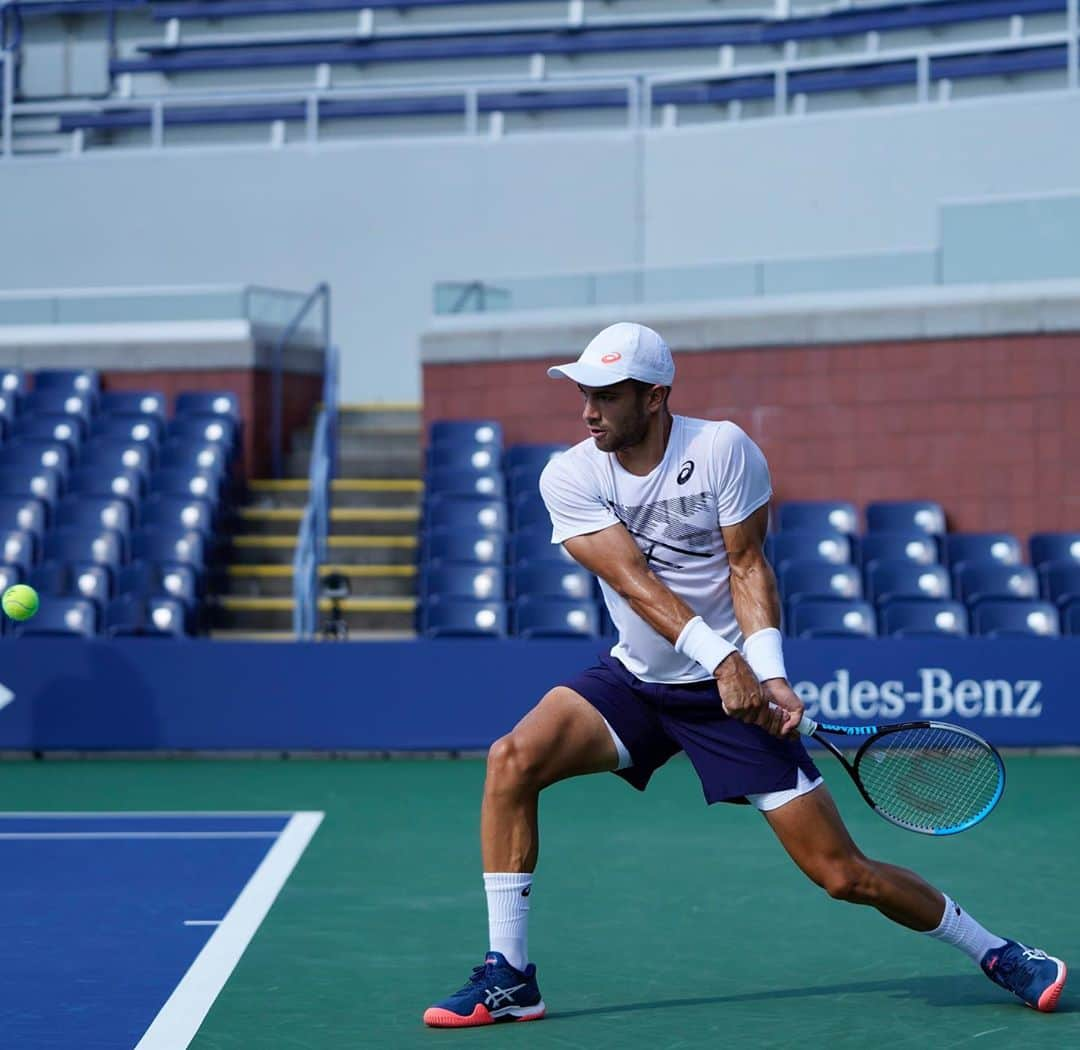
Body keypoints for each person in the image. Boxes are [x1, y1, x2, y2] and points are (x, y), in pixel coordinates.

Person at [422, 322, 1067, 1028]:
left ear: (656, 395)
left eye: (607, 394)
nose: (588, 409)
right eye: (584, 392)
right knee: (512, 760)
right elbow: (634, 582)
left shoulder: (722, 449)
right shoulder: (570, 474)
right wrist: (723, 660)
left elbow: (747, 565)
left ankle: (998, 951)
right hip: (636, 681)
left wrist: (769, 673)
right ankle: (509, 977)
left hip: (730, 698)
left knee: (843, 875)